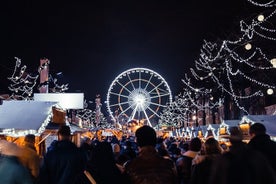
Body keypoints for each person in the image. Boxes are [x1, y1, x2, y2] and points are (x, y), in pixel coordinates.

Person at [209, 126, 276, 184]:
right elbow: (270, 177)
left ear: (230, 141)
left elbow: (215, 179)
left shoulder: (222, 159)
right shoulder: (256, 156)